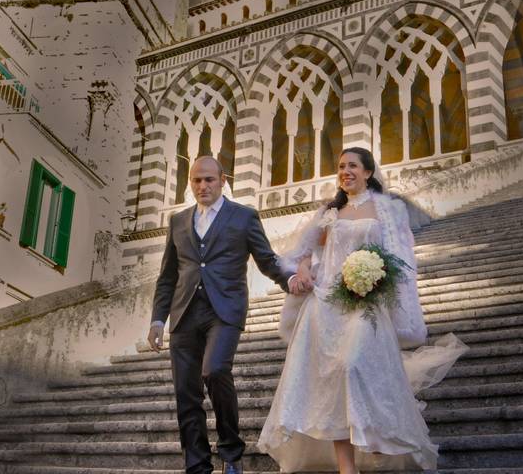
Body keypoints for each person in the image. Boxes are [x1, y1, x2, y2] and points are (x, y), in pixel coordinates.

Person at [258, 147, 467, 473]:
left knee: (354, 366)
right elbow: (305, 250)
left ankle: (379, 437)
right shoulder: (329, 210)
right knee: (333, 381)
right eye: (341, 166)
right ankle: (346, 467)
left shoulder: (386, 209)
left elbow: (399, 257)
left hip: (367, 303)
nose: (345, 171)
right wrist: (302, 270)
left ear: (368, 172)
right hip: (327, 304)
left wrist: (378, 278)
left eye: (352, 165)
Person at [147, 156, 311, 474]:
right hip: (183, 314)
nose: (202, 186)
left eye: (209, 179)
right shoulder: (178, 222)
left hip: (224, 311)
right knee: (186, 393)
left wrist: (289, 279)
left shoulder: (244, 217)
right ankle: (197, 464)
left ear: (223, 180)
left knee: (215, 370)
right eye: (196, 180)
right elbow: (167, 276)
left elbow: (266, 259)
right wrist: (158, 319)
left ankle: (231, 451)